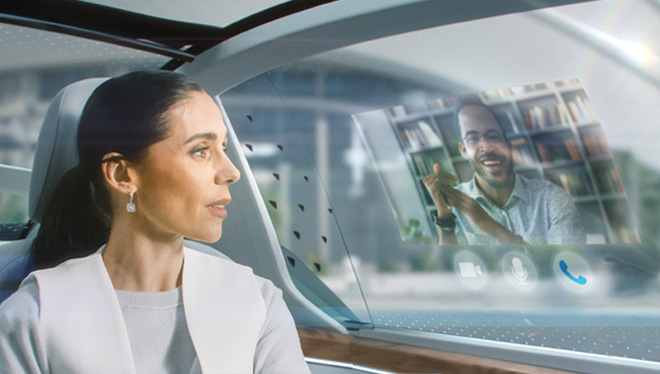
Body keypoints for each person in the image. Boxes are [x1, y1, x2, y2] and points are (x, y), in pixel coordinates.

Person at [0, 71, 310, 373]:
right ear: (122, 175)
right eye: (201, 150)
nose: (231, 172)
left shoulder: (256, 302)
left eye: (223, 148)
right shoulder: (30, 317)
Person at [424, 94, 585, 245]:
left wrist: (486, 224)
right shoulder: (454, 205)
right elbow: (449, 270)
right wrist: (445, 221)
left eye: (494, 136)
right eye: (472, 138)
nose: (486, 147)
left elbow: (570, 268)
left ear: (508, 145)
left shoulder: (552, 199)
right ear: (464, 149)